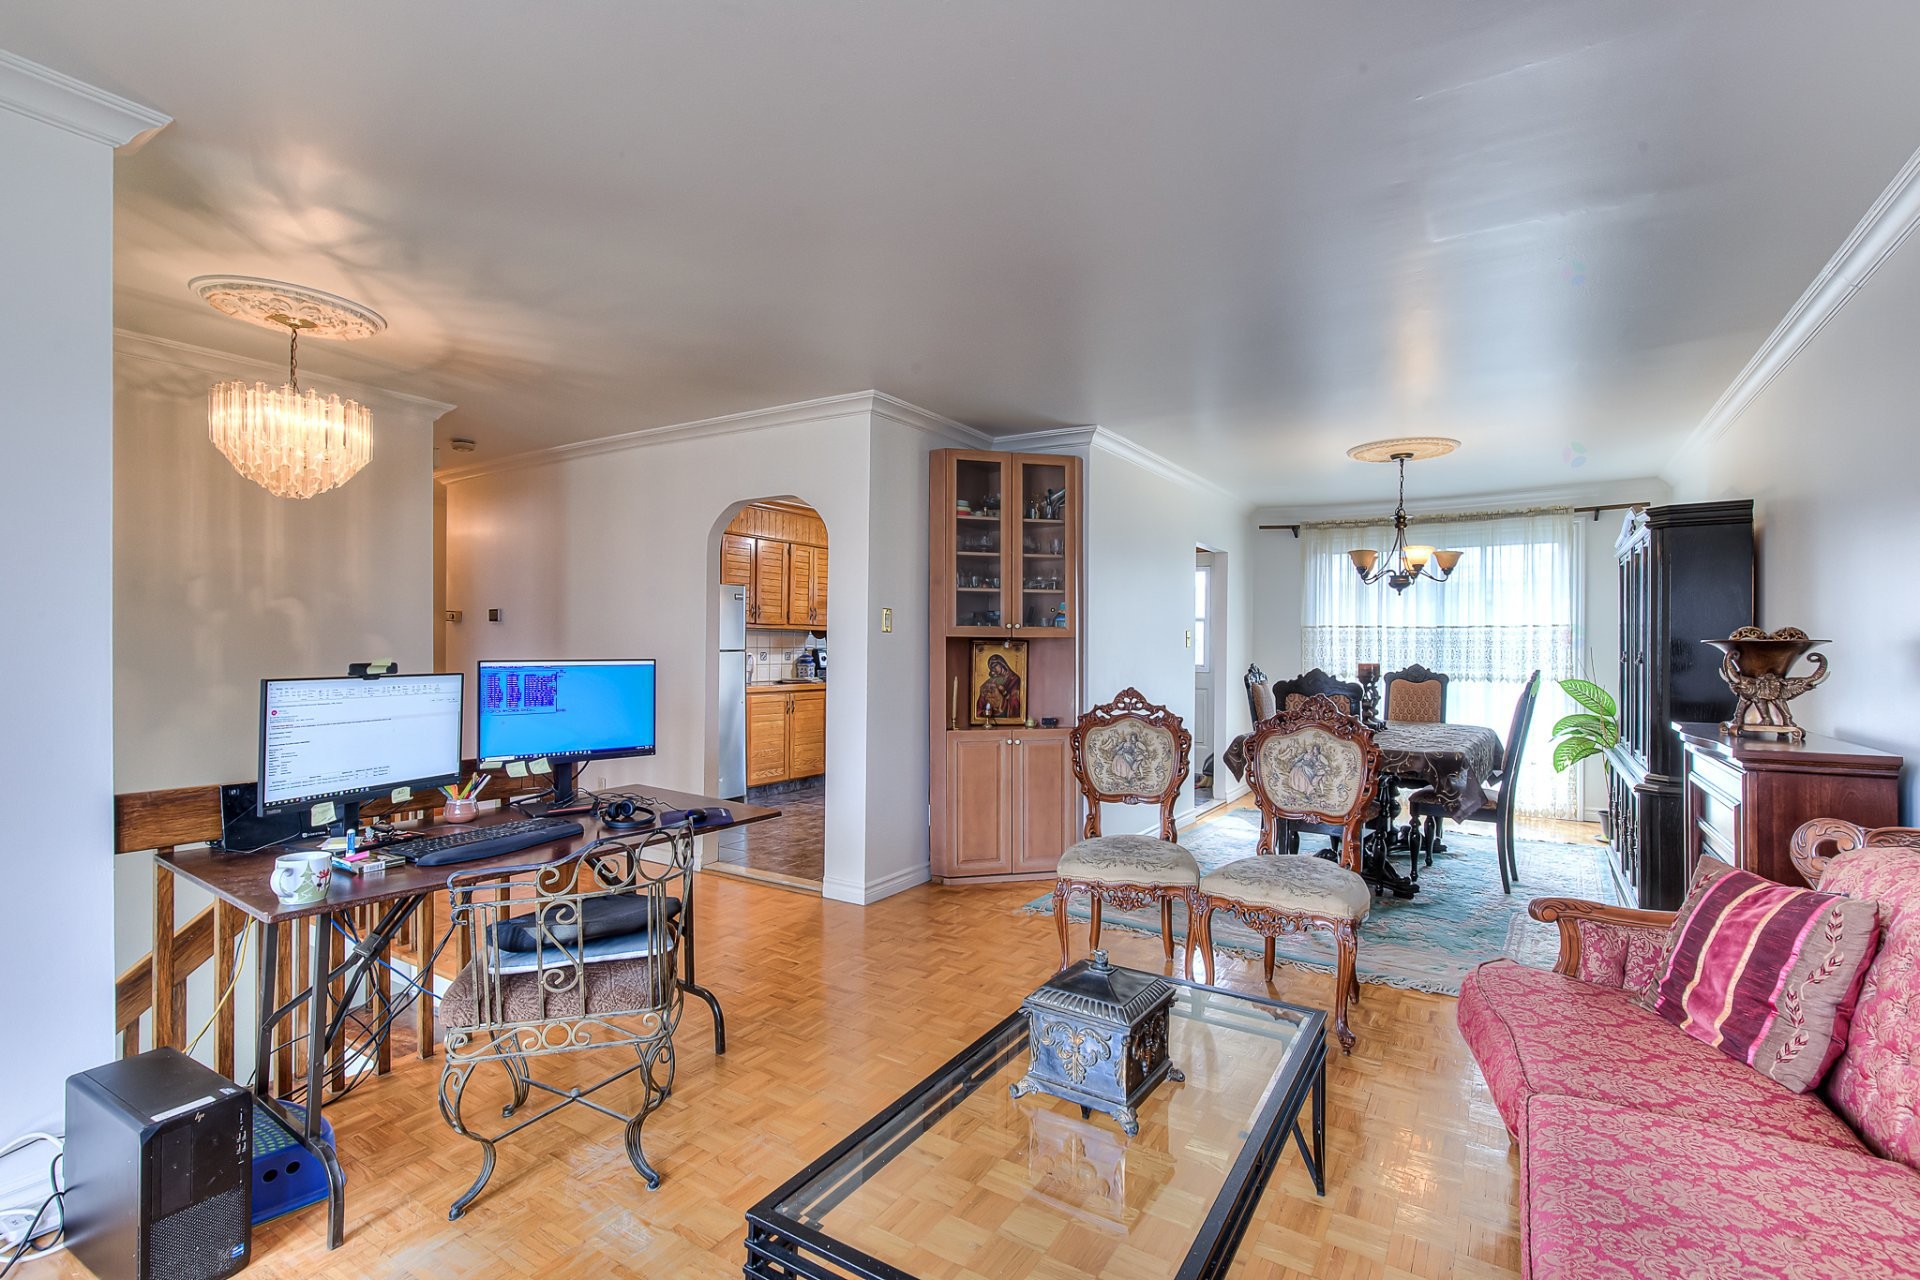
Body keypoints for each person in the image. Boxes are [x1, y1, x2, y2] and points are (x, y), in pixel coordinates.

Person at [976, 654, 1022, 721]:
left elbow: (1015, 702)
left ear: (1002, 664)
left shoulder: (1014, 679)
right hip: (992, 712)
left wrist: (1004, 692)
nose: (993, 669)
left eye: (995, 666)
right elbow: (983, 694)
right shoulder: (993, 680)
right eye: (991, 668)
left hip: (1005, 712)